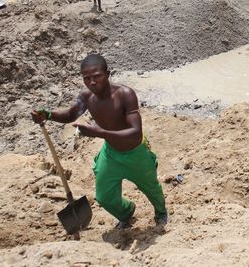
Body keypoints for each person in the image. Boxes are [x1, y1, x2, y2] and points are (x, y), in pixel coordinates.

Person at [30, 54, 168, 228]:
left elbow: (135, 132)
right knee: (104, 197)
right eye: (86, 79)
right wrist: (48, 115)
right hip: (111, 154)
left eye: (96, 77)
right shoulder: (86, 98)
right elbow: (70, 115)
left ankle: (161, 211)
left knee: (151, 188)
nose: (92, 82)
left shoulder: (125, 94)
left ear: (108, 74)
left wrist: (100, 132)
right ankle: (126, 212)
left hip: (135, 152)